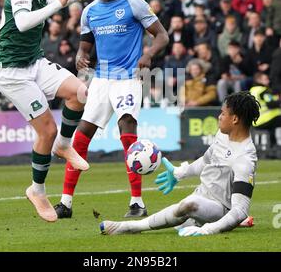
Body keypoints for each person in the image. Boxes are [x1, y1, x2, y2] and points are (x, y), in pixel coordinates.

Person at [54, 0, 169, 219]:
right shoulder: (90, 12)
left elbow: (162, 35)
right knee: (80, 137)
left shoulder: (134, 3)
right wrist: (80, 56)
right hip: (101, 80)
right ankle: (65, 204)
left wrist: (148, 53)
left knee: (127, 129)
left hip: (128, 78)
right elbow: (85, 45)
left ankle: (137, 203)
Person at [0, 0, 96, 223]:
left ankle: (64, 146)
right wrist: (63, 3)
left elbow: (50, 3)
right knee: (46, 131)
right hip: (13, 73)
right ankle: (37, 190)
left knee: (80, 92)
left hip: (34, 63)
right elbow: (25, 22)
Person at [100, 91, 260, 236]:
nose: (219, 116)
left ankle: (130, 227)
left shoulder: (244, 159)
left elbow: (240, 210)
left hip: (221, 208)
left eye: (223, 113)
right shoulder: (223, 135)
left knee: (188, 205)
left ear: (235, 119)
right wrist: (180, 173)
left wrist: (207, 230)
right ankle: (199, 220)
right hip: (202, 195)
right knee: (182, 219)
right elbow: (206, 160)